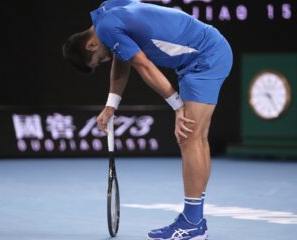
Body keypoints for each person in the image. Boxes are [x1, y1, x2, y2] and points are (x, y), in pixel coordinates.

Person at [62, 0, 232, 239]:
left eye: (99, 59)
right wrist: (111, 105)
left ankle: (193, 224)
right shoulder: (106, 11)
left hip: (204, 57)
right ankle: (194, 220)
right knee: (196, 138)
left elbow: (143, 65)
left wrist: (176, 106)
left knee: (189, 138)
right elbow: (122, 61)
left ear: (90, 45)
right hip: (205, 51)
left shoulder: (106, 30)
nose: (106, 59)